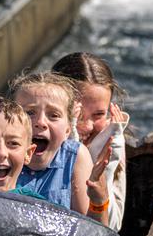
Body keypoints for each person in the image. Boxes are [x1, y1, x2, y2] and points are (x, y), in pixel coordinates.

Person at [8, 72, 111, 224]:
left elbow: (92, 232)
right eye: (29, 113)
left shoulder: (76, 157)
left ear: (68, 129)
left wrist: (99, 202)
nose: (40, 122)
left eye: (54, 115)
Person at [52, 52, 129, 231]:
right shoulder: (34, 137)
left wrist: (107, 165)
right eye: (77, 115)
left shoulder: (112, 141)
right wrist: (71, 138)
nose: (87, 126)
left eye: (99, 114)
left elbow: (112, 225)